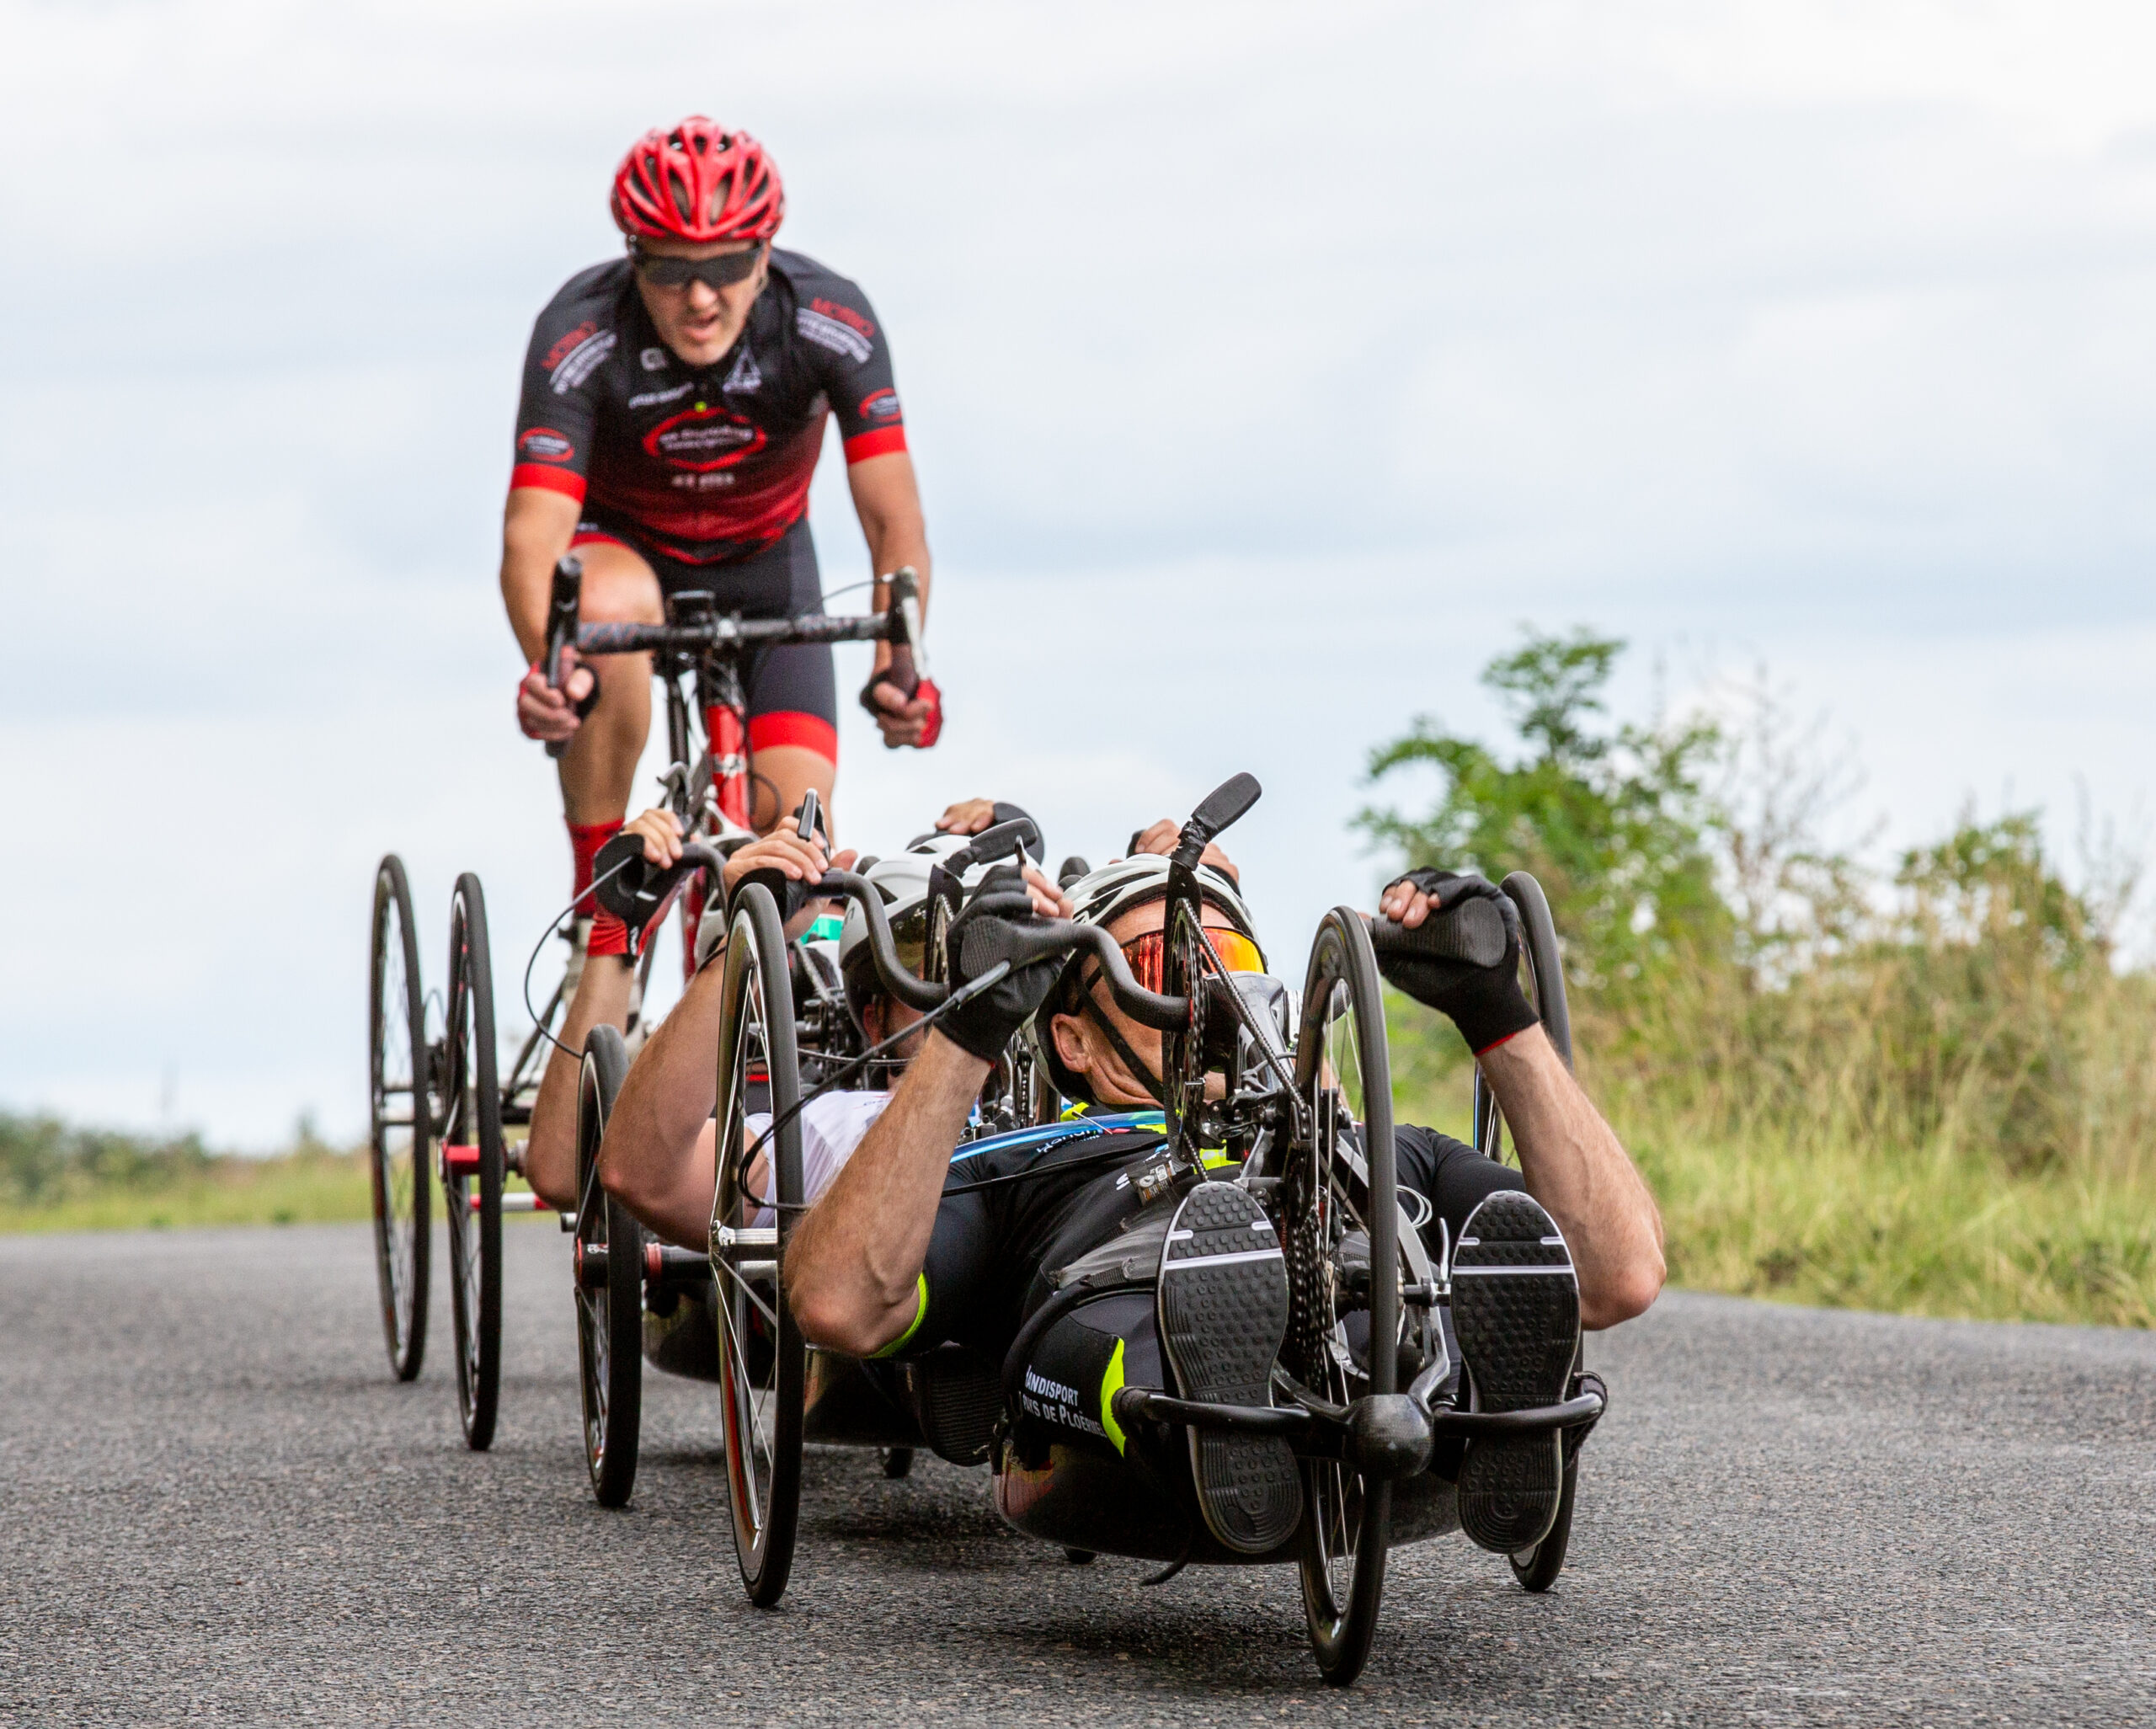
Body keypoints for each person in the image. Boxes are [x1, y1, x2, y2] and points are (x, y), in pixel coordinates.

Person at [776, 845, 1667, 1559]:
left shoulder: (1391, 1149)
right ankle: (1214, 1409)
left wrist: (1495, 1011)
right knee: (1134, 1345)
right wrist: (967, 1034)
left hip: (1365, 1314)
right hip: (1122, 1332)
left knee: (1424, 1303)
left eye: (1228, 958)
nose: (1206, 989)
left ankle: (1487, 1401)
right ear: (1072, 1038)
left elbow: (1617, 1275)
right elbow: (835, 1303)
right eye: (1163, 962)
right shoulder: (1025, 1163)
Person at [502, 116, 941, 972]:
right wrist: (548, 665)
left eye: (727, 266)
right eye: (670, 270)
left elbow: (895, 524)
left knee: (804, 847)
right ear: (634, 259)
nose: (700, 298)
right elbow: (532, 538)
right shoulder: (580, 333)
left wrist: (901, 661)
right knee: (602, 609)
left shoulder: (827, 320)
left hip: (767, 568)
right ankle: (603, 905)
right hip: (624, 558)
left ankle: (765, 1029)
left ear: (766, 254)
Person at [523, 797, 1027, 1215]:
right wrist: (730, 937)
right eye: (932, 959)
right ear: (874, 1021)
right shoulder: (828, 1130)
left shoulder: (1064, 1110)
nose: (965, 988)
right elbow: (585, 1171)